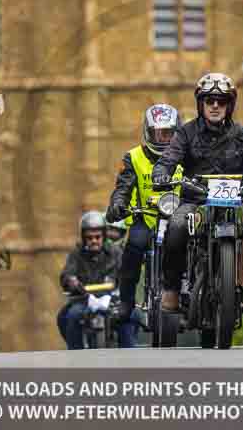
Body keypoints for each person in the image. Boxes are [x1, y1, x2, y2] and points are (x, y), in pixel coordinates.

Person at [152, 72, 243, 314]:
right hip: (195, 202)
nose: (215, 105)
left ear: (230, 105)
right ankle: (172, 289)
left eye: (222, 101)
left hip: (235, 203)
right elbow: (168, 158)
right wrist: (161, 173)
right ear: (201, 104)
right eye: (210, 100)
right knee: (175, 227)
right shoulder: (186, 133)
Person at [106, 103, 183, 346]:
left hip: (179, 218)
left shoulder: (187, 155)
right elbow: (123, 186)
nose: (164, 138)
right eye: (160, 133)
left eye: (169, 133)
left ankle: (190, 296)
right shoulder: (133, 157)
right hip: (146, 217)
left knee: (194, 246)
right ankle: (127, 302)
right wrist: (118, 204)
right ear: (148, 132)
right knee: (133, 248)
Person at [57, 211, 126, 349]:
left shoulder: (116, 252)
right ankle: (75, 355)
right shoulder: (76, 254)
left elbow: (127, 273)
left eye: (97, 237)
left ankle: (131, 357)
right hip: (84, 300)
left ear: (104, 236)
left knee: (132, 317)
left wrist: (123, 283)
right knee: (68, 316)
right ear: (83, 238)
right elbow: (66, 274)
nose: (94, 241)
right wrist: (72, 281)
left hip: (112, 300)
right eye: (89, 238)